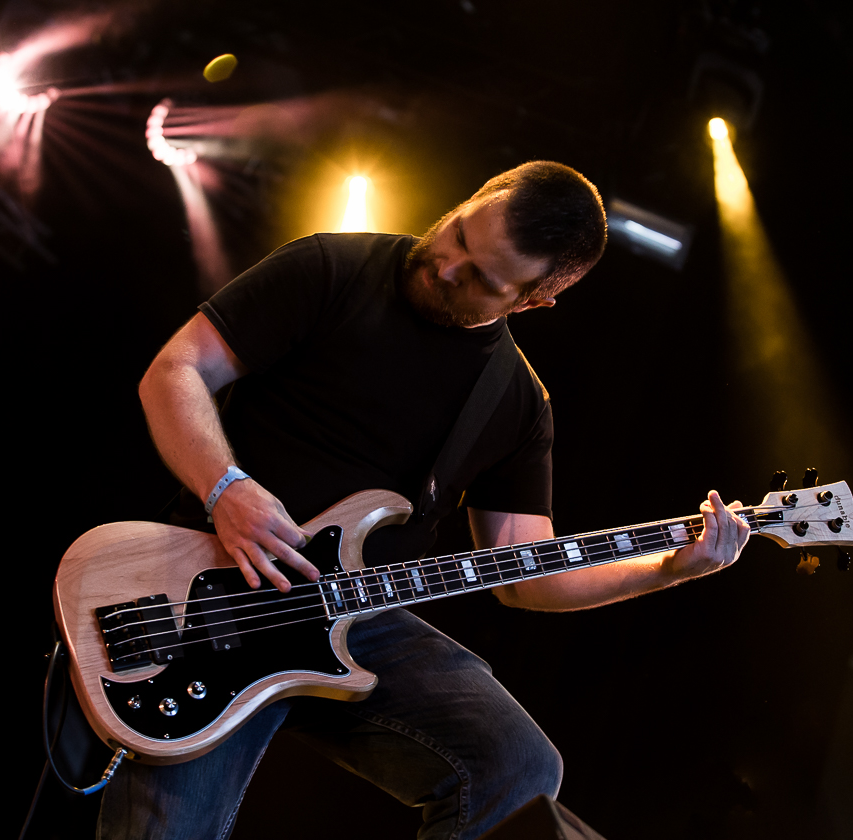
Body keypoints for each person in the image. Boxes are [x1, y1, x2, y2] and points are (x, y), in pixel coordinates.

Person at [101, 161, 750, 839]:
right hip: (213, 588)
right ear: (472, 198)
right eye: (460, 233)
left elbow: (524, 571)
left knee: (519, 767)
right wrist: (226, 487)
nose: (447, 266)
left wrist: (668, 569)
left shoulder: (515, 403)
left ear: (532, 302)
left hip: (357, 618)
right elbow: (175, 371)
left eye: (483, 278)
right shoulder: (331, 268)